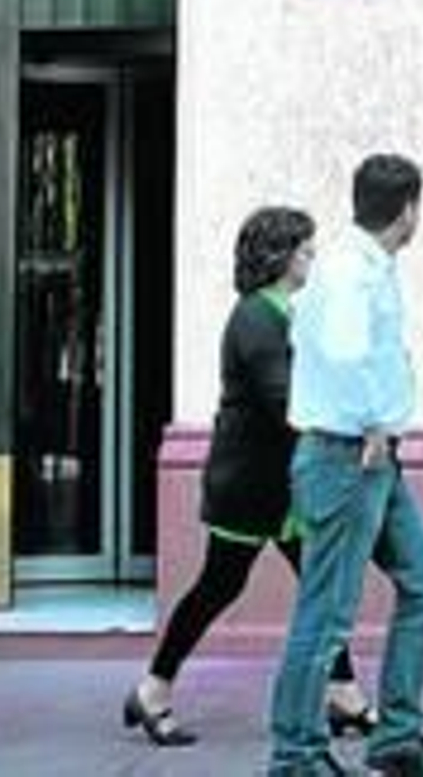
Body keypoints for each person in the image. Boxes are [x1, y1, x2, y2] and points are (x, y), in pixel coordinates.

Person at [124, 206, 375, 748]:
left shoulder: (285, 312)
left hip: (282, 487)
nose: (313, 257)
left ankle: (345, 694)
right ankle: (153, 689)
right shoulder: (256, 318)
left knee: (319, 585)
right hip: (251, 487)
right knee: (219, 587)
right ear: (280, 257)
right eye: (305, 249)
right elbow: (286, 401)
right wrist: (348, 427)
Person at [267, 154, 423, 777]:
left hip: (371, 462)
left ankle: (397, 739)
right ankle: (295, 756)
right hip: (349, 456)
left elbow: (310, 340)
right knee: (326, 614)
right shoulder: (351, 271)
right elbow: (345, 351)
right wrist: (376, 419)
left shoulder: (360, 265)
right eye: (418, 207)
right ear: (408, 210)